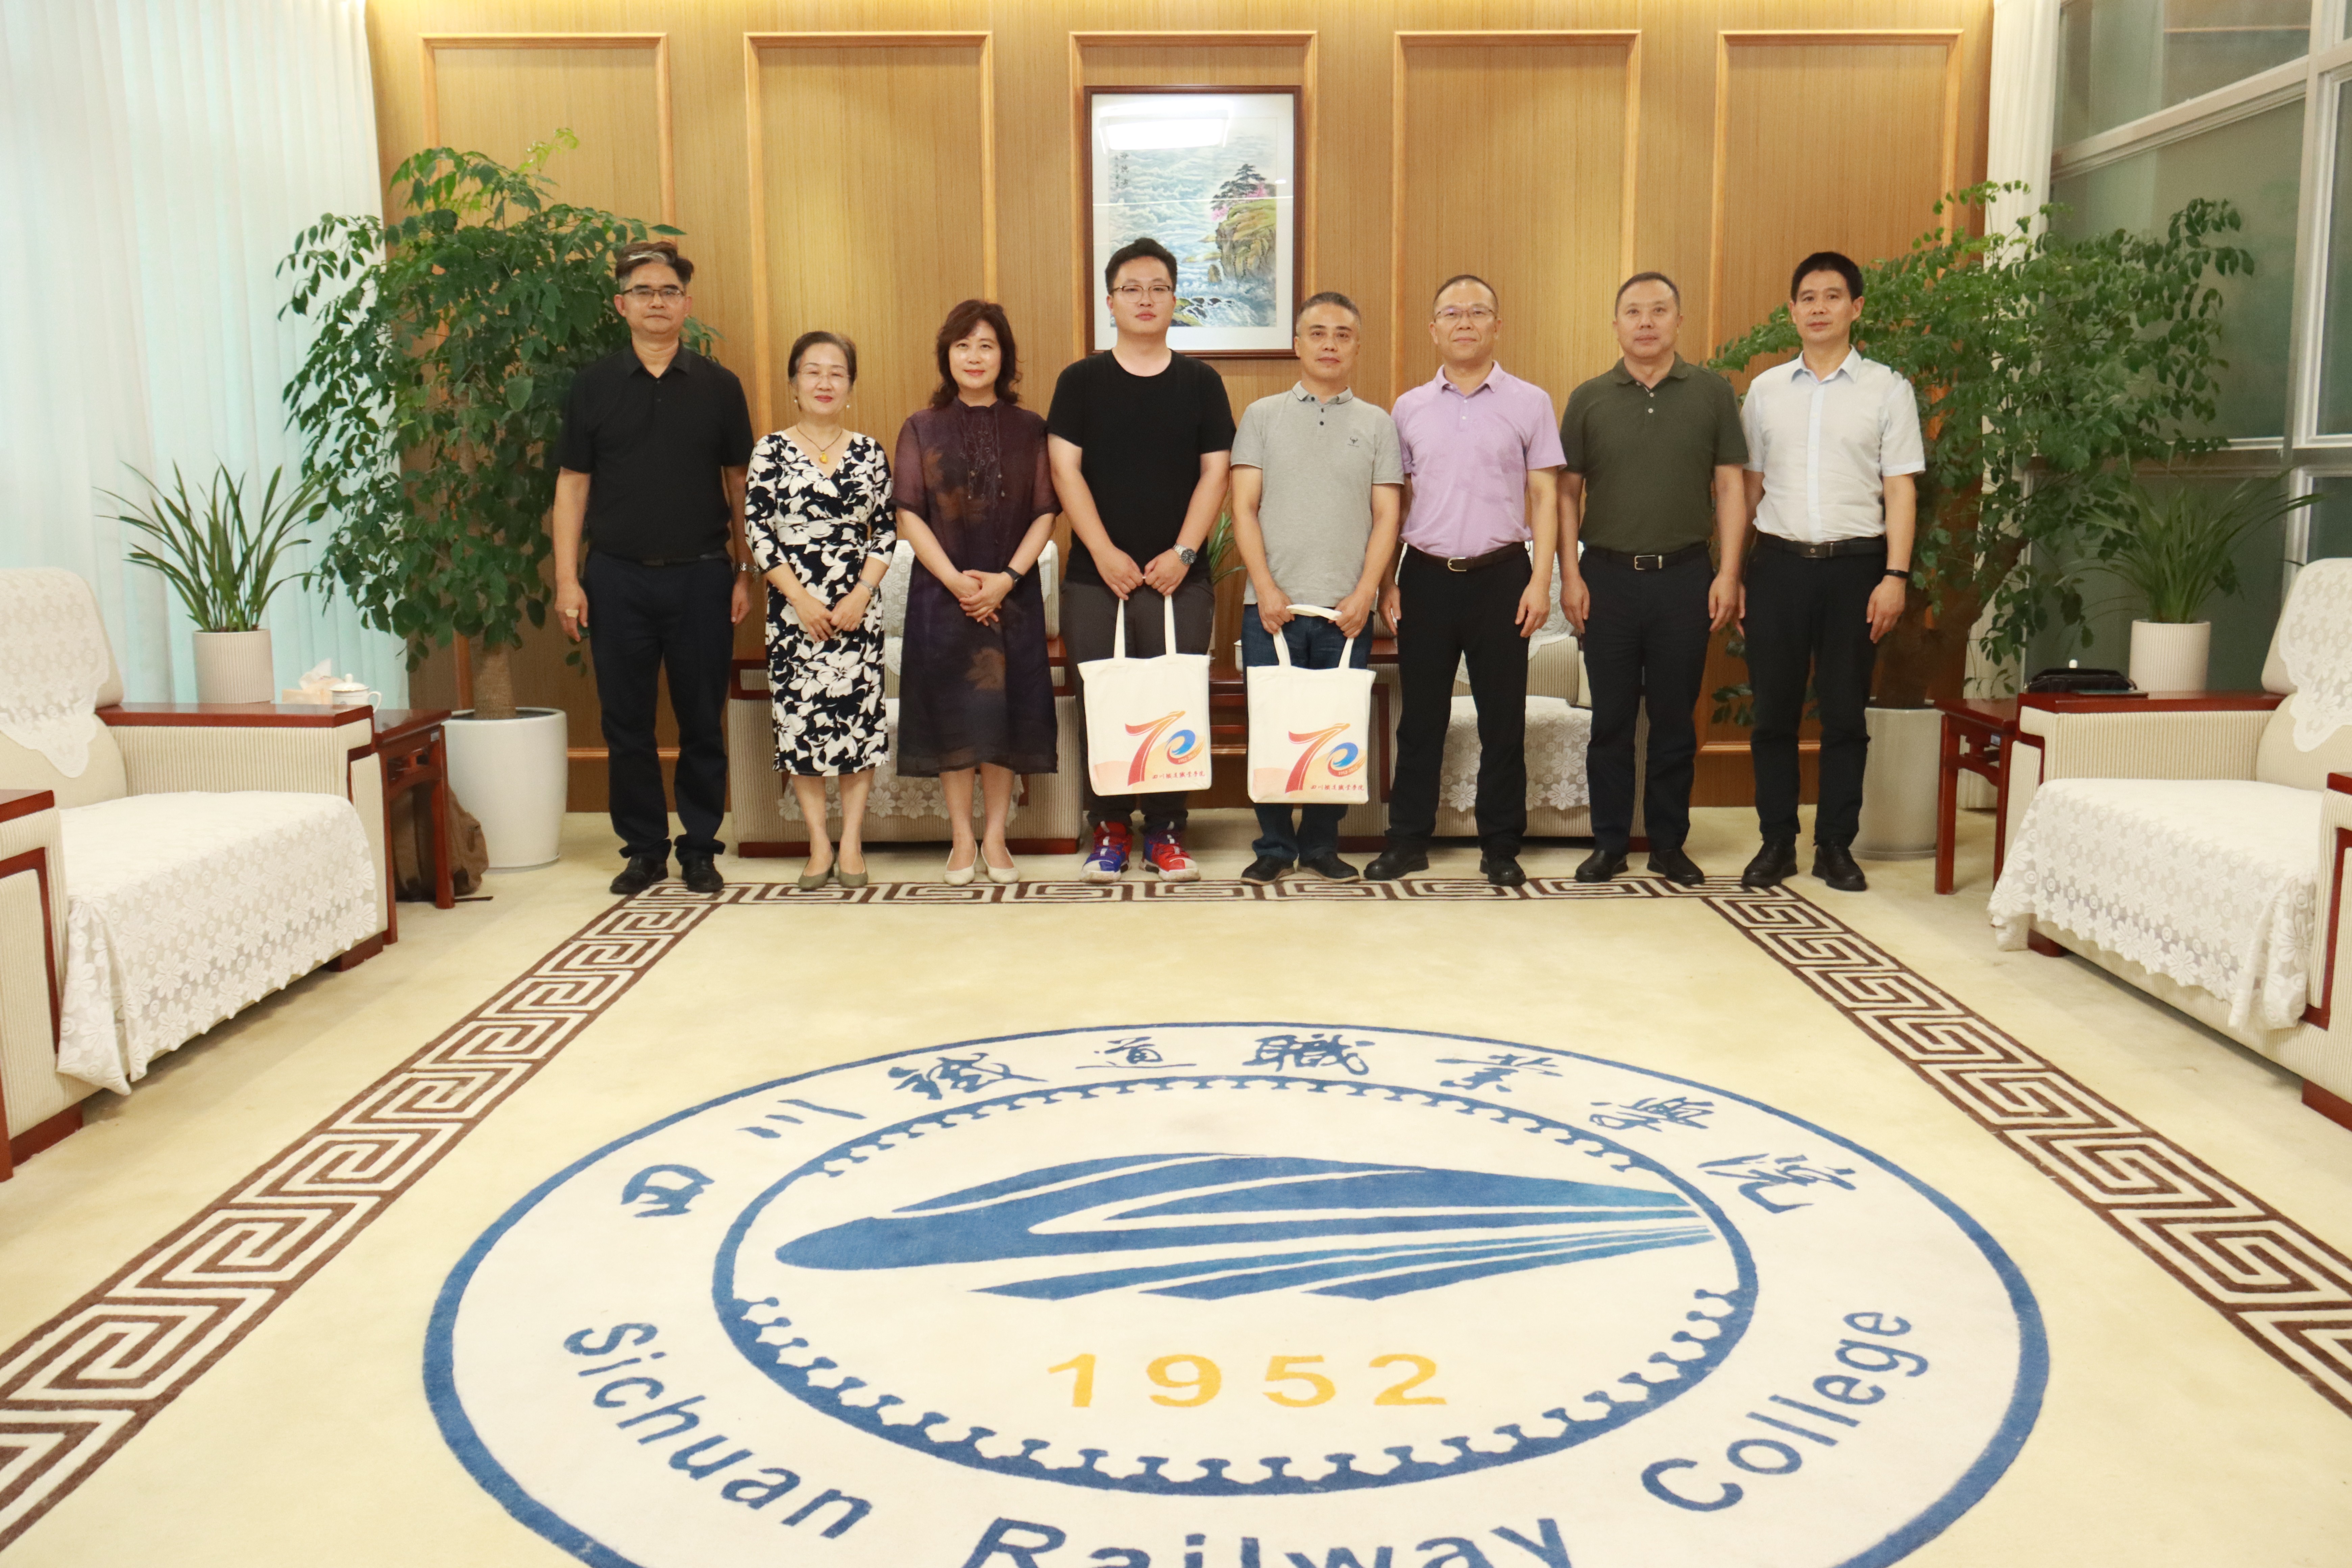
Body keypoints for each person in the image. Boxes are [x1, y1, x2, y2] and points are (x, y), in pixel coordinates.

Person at [552, 240, 754, 898]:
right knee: (626, 723)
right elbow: (572, 486)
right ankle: (643, 850)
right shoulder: (593, 386)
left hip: (703, 576)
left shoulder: (720, 387)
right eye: (643, 292)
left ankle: (700, 848)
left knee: (702, 721)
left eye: (669, 292)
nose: (657, 302)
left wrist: (745, 569)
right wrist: (567, 579)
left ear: (686, 305)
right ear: (622, 305)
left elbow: (740, 483)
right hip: (617, 577)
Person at [1047, 236, 1234, 883]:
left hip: (1180, 577)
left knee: (1173, 698)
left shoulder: (1202, 383)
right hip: (1094, 578)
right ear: (1111, 301)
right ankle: (1108, 828)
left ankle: (1167, 831)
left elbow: (1216, 473)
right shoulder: (1080, 381)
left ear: (1175, 300)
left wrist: (1184, 552)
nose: (1146, 299)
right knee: (1102, 699)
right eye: (1132, 289)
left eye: (1159, 288)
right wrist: (1103, 553)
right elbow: (1065, 470)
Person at [1736, 251, 1924, 894]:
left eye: (1833, 296)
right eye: (1808, 298)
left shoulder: (1888, 390)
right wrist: (1733, 572)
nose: (1819, 308)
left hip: (1856, 569)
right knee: (1773, 714)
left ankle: (1836, 845)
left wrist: (1895, 577)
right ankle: (1776, 842)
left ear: (1856, 308)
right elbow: (1748, 489)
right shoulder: (1765, 392)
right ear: (1792, 312)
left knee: (1845, 714)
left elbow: (1900, 490)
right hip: (1777, 568)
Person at [1367, 275, 1562, 888]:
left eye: (1478, 312)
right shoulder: (1408, 408)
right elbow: (1395, 503)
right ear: (1434, 330)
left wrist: (1542, 582)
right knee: (1420, 720)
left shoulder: (1530, 402)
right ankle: (1407, 841)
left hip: (1503, 576)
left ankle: (1500, 845)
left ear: (1497, 326)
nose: (1465, 322)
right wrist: (1387, 582)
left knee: (1502, 721)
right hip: (1424, 579)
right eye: (1452, 313)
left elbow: (1546, 496)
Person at [1558, 272, 1747, 887]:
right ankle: (1610, 844)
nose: (1646, 322)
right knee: (1610, 722)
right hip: (1606, 579)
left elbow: (1731, 488)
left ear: (1679, 321)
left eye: (1659, 311)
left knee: (1674, 722)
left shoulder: (1713, 393)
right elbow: (1566, 494)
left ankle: (1669, 845)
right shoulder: (1588, 398)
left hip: (1685, 578)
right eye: (1634, 312)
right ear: (1616, 325)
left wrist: (1729, 573)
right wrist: (1570, 574)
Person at [1229, 290, 1403, 883]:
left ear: (1357, 346)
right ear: (1297, 344)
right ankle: (1275, 847)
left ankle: (1323, 844)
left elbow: (1387, 515)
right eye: (1319, 333)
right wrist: (1265, 587)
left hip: (1345, 610)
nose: (1330, 344)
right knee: (1272, 727)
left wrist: (1366, 593)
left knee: (1337, 727)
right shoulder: (1262, 416)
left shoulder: (1378, 423)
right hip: (1270, 608)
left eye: (1343, 335)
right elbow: (1244, 507)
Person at [892, 299, 1058, 886]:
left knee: (1004, 715)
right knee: (955, 716)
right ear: (947, 355)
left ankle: (996, 837)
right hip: (944, 596)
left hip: (1011, 596)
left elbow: (1045, 512)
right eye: (963, 345)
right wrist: (956, 581)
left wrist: (1007, 579)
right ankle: (962, 837)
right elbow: (909, 514)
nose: (974, 356)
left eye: (987, 345)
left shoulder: (1031, 428)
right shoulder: (921, 426)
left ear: (1004, 356)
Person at [742, 331, 895, 890]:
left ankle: (851, 842)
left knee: (858, 726)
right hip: (793, 613)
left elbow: (887, 531)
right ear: (794, 383)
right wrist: (801, 600)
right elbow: (758, 532)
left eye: (837, 373)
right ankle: (818, 843)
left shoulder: (870, 452)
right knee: (800, 728)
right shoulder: (770, 450)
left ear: (851, 386)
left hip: (858, 613)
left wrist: (861, 595)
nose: (825, 382)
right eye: (813, 371)